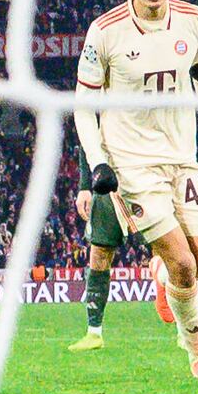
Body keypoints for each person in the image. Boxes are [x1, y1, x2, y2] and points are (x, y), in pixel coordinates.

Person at [78, 0, 198, 383]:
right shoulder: (105, 31)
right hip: (132, 168)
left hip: (182, 160)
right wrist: (98, 164)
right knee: (184, 265)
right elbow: (82, 105)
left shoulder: (193, 21)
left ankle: (167, 284)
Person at [69, 127, 131, 353]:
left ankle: (188, 331)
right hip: (108, 184)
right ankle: (94, 332)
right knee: (99, 255)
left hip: (146, 177)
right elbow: (88, 138)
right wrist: (85, 186)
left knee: (165, 249)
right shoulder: (99, 95)